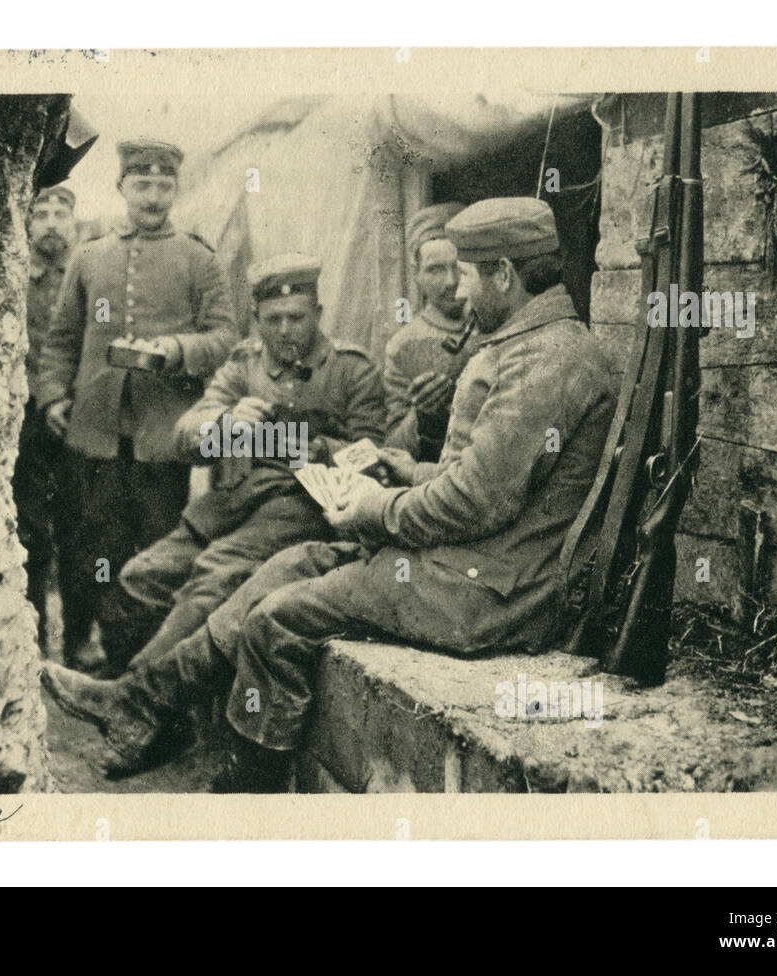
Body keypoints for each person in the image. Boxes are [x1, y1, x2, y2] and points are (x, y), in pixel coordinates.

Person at [41, 196, 619, 792]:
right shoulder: (532, 346)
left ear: (504, 273)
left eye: (467, 275)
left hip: (491, 592)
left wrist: (373, 505)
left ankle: (248, 791)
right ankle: (139, 702)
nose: (459, 294)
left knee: (276, 619)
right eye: (273, 319)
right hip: (471, 563)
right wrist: (409, 471)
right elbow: (480, 485)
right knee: (289, 565)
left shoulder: (543, 358)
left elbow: (473, 502)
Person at [85, 254, 385, 771]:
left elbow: (374, 459)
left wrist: (313, 446)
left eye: (297, 316)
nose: (286, 329)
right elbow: (186, 434)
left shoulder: (352, 370)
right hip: (228, 501)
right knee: (140, 577)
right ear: (256, 319)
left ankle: (132, 703)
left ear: (318, 310)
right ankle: (168, 722)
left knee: (211, 577)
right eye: (273, 319)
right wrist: (226, 422)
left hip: (298, 507)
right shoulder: (244, 364)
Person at [34, 139, 238, 674]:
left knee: (152, 549)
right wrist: (54, 395)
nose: (153, 196)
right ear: (122, 188)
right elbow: (60, 339)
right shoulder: (90, 255)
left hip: (162, 436)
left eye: (163, 186)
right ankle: (81, 645)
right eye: (142, 185)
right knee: (90, 547)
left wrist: (177, 350)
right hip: (94, 431)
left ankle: (139, 658)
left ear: (176, 189)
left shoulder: (198, 259)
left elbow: (224, 338)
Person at [11, 185, 93, 662]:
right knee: (30, 534)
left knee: (79, 533)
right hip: (26, 427)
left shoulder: (83, 278)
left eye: (60, 212)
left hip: (72, 419)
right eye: (39, 212)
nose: (50, 222)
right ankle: (33, 641)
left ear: (74, 221)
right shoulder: (15, 278)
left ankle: (79, 641)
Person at [383, 201, 478, 462]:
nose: (451, 282)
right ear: (417, 274)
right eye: (435, 269)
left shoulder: (494, 325)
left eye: (458, 267)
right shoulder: (403, 345)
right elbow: (393, 448)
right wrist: (422, 414)